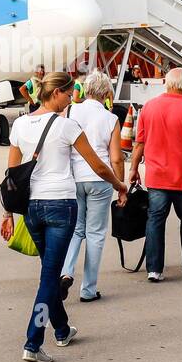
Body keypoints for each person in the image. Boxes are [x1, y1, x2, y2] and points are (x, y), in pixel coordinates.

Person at [3, 72, 128, 362]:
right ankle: (33, 341)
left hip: (32, 208)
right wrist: (119, 185)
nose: (73, 98)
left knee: (50, 270)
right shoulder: (67, 126)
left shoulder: (20, 124)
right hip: (60, 206)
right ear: (56, 93)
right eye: (70, 93)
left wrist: (7, 212)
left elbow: (11, 176)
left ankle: (61, 329)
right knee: (49, 277)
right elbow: (97, 165)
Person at [127, 67, 182, 281]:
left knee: (155, 220)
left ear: (166, 84)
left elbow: (139, 142)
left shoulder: (148, 108)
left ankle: (154, 269)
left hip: (157, 176)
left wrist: (133, 168)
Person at [60, 71, 124, 303]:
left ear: (85, 90)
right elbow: (116, 158)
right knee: (95, 234)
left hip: (74, 178)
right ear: (107, 93)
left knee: (76, 230)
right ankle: (88, 289)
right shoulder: (111, 119)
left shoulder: (70, 110)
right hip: (100, 180)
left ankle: (66, 271)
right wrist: (121, 186)